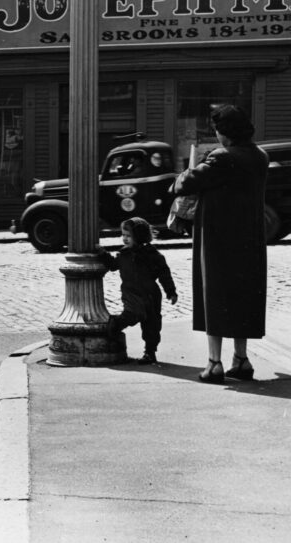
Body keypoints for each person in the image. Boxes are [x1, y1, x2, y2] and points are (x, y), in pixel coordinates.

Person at [173, 104, 268, 383]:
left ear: (224, 132)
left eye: (217, 130)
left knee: (214, 297)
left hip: (218, 238)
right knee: (243, 298)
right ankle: (241, 359)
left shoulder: (222, 157)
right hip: (250, 238)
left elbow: (185, 184)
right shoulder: (260, 156)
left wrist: (185, 173)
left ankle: (214, 364)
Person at [99, 217, 178, 365]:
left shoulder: (152, 255)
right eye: (123, 235)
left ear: (139, 236)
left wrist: (171, 292)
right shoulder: (123, 254)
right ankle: (115, 324)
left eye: (128, 236)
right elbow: (113, 265)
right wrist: (102, 253)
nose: (125, 239)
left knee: (152, 326)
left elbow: (164, 274)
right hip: (131, 293)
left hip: (150, 296)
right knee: (131, 314)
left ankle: (150, 352)